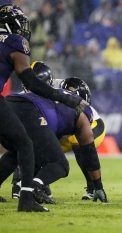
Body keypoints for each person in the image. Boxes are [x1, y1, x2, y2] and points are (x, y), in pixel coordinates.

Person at [0, 4, 86, 212]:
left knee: (14, 146)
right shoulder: (15, 42)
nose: (23, 29)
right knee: (25, 145)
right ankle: (26, 200)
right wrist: (61, 96)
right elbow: (30, 80)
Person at [1, 74, 108, 205]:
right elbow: (89, 151)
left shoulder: (58, 95)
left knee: (16, 152)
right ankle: (35, 186)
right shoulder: (84, 114)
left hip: (8, 104)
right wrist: (98, 186)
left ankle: (30, 185)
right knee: (60, 164)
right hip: (30, 112)